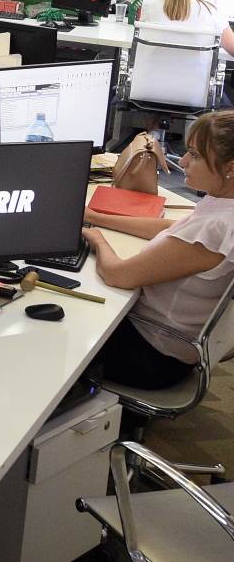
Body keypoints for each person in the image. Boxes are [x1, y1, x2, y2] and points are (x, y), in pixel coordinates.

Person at [82, 110, 234, 389]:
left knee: (62, 317)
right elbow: (172, 228)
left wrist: (97, 239)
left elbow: (117, 275)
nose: (183, 162)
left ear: (230, 169)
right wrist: (97, 217)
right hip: (164, 340)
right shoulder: (224, 206)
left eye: (194, 155)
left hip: (152, 354)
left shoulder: (217, 229)